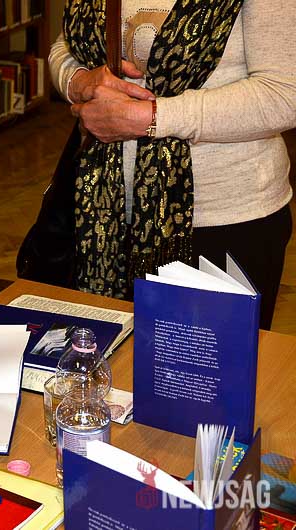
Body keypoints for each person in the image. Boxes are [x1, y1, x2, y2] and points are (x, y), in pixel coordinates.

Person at [48, 0, 296, 329]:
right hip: (100, 213)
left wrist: (152, 118)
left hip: (223, 218)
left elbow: (284, 95)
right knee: (103, 353)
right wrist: (77, 82)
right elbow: (66, 45)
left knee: (203, 360)